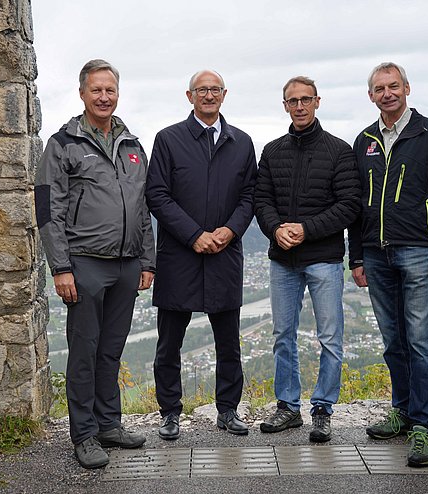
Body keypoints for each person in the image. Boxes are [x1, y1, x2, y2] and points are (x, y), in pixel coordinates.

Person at [34, 59, 155, 469]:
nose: (104, 97)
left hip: (126, 265)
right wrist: (61, 267)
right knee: (84, 352)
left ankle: (109, 426)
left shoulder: (133, 145)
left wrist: (146, 260)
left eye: (110, 90)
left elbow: (143, 210)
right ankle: (83, 435)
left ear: (117, 93)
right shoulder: (63, 144)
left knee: (111, 351)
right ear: (82, 93)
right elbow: (49, 210)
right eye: (96, 90)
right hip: (84, 264)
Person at [348, 62, 428, 467]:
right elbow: (356, 205)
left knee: (419, 342)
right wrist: (356, 256)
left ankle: (423, 426)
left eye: (393, 86)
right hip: (375, 254)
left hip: (418, 251)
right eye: (379, 88)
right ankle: (401, 410)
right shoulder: (364, 141)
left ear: (407, 88)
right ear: (371, 95)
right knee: (393, 341)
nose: (387, 93)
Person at [146, 70, 257, 440]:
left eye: (214, 90)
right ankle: (170, 413)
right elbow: (157, 195)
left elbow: (250, 197)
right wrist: (194, 235)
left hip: (225, 254)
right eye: (201, 90)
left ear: (224, 94)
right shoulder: (168, 139)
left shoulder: (241, 142)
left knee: (229, 344)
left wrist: (229, 230)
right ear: (189, 95)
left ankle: (227, 410)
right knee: (169, 345)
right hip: (180, 256)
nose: (208, 96)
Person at [254, 76, 361, 442]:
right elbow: (261, 200)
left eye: (305, 99)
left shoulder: (339, 151)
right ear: (284, 105)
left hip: (323, 258)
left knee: (330, 337)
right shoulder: (271, 151)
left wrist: (305, 229)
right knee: (283, 335)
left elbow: (349, 205)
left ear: (317, 102)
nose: (299, 106)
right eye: (292, 101)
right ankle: (287, 407)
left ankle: (323, 409)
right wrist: (275, 229)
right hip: (282, 259)